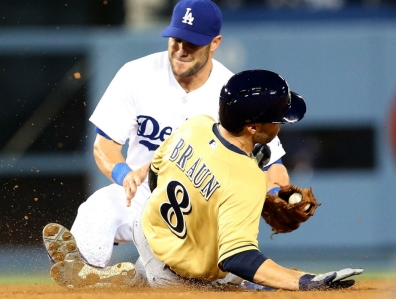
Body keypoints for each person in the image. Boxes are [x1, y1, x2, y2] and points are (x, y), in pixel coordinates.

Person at [43, 0, 290, 284]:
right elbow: (104, 146)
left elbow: (272, 162)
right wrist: (124, 175)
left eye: (193, 42)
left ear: (215, 42)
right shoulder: (136, 74)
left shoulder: (230, 91)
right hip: (142, 192)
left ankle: (138, 280)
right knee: (98, 208)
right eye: (176, 39)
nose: (181, 49)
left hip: (202, 208)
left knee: (168, 276)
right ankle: (85, 275)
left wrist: (277, 194)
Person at [130, 69, 363, 290]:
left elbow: (155, 177)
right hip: (177, 278)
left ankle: (143, 269)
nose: (279, 124)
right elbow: (238, 257)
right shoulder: (247, 178)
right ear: (252, 127)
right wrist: (302, 281)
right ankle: (152, 275)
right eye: (276, 119)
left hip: (146, 229)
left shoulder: (195, 125)